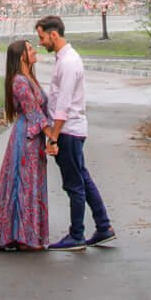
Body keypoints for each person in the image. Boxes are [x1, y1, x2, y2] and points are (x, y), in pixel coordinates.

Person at [35, 14, 116, 251]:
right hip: (71, 129)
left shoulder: (69, 62)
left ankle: (76, 235)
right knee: (83, 178)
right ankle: (103, 227)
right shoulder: (64, 59)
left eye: (42, 37)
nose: (40, 43)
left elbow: (64, 104)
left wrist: (54, 136)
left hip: (68, 131)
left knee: (74, 185)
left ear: (53, 34)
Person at [0, 38, 51, 251]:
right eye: (30, 49)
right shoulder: (19, 81)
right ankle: (22, 236)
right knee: (23, 183)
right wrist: (52, 137)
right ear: (22, 56)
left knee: (32, 183)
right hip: (25, 137)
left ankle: (28, 235)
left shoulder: (30, 78)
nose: (34, 50)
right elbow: (33, 112)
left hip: (35, 136)